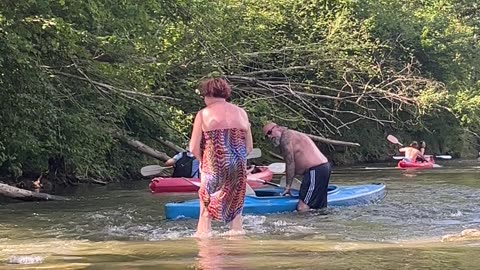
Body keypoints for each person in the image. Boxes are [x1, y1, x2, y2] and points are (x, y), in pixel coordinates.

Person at [189, 77, 253, 237]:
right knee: (235, 209)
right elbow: (249, 146)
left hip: (214, 164)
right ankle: (236, 245)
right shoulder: (241, 112)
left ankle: (205, 246)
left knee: (205, 209)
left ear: (207, 94)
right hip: (238, 163)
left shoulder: (203, 114)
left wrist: (203, 163)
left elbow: (193, 147)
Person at [263, 122, 331, 212]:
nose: (269, 137)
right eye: (266, 136)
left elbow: (290, 162)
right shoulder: (292, 135)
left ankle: (302, 225)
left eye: (269, 132)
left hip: (315, 170)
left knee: (302, 207)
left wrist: (288, 186)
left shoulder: (285, 138)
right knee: (318, 207)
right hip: (322, 168)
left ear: (277, 128)